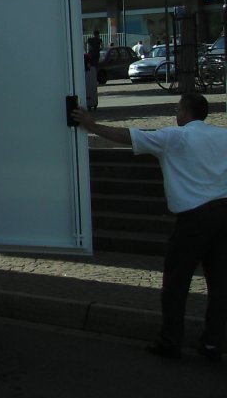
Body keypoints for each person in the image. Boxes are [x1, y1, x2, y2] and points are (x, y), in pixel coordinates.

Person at [72, 94, 227, 361]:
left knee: (177, 281)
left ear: (186, 113)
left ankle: (170, 340)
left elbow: (131, 137)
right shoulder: (222, 136)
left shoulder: (175, 138)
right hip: (223, 213)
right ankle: (214, 342)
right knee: (221, 282)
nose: (176, 112)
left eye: (177, 108)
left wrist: (92, 125)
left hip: (193, 217)